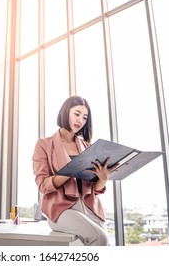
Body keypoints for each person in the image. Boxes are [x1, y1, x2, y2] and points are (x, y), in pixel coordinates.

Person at [32, 95, 117, 246]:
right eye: (77, 114)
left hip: (89, 206)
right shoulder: (44, 144)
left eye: (84, 117)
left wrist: (102, 179)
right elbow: (42, 184)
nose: (80, 121)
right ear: (66, 113)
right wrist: (69, 171)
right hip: (61, 209)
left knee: (106, 243)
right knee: (100, 238)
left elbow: (93, 189)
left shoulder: (87, 147)